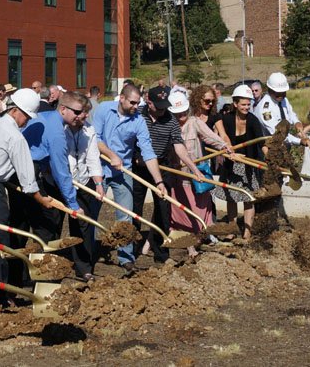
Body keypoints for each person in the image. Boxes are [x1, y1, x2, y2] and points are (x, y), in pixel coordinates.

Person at [0, 88, 52, 305]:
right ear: (15, 110)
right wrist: (41, 199)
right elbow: (28, 180)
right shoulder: (15, 137)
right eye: (26, 116)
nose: (26, 121)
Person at [93, 84, 168, 274]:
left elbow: (148, 151)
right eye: (133, 102)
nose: (136, 106)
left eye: (138, 103)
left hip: (122, 172)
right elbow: (95, 138)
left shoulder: (138, 121)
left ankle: (126, 258)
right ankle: (90, 253)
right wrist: (111, 154)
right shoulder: (103, 109)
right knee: (92, 214)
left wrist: (159, 182)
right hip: (98, 169)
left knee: (126, 215)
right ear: (122, 98)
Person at [132, 86, 205, 263]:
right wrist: (135, 157)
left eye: (165, 106)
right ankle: (131, 251)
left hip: (161, 168)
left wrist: (194, 170)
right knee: (135, 209)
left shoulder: (170, 120)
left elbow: (179, 147)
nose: (162, 110)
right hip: (139, 168)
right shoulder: (137, 115)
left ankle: (161, 254)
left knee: (163, 211)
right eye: (159, 106)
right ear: (148, 101)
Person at [18, 91, 85, 277]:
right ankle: (40, 273)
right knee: (46, 227)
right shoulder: (57, 133)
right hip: (30, 173)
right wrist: (72, 204)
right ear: (63, 109)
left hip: (23, 170)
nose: (80, 117)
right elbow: (61, 171)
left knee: (23, 226)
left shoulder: (46, 116)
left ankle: (20, 274)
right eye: (77, 112)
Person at [168, 92, 230, 258]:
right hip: (177, 176)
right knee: (182, 211)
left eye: (184, 112)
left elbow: (210, 137)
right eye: (178, 113)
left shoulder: (194, 122)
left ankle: (201, 237)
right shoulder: (168, 125)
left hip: (196, 175)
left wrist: (224, 146)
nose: (182, 116)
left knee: (199, 207)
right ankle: (188, 245)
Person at [212, 85, 264, 239]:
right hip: (231, 164)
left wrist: (269, 157)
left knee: (248, 198)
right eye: (243, 104)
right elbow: (217, 129)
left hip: (248, 164)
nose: (247, 107)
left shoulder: (253, 121)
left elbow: (262, 144)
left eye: (249, 104)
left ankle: (247, 232)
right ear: (235, 104)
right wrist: (228, 152)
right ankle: (232, 229)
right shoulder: (227, 119)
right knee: (232, 198)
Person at [65, 95, 104, 281]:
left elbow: (93, 157)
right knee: (54, 225)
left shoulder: (89, 130)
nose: (85, 117)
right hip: (62, 181)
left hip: (84, 182)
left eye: (87, 113)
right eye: (82, 113)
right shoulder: (61, 129)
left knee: (84, 224)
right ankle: (52, 263)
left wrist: (98, 183)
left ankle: (84, 266)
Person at [253, 72, 310, 147]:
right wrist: (299, 141)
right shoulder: (265, 110)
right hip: (269, 147)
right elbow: (278, 133)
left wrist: (296, 122)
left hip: (284, 145)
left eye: (283, 92)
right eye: (278, 92)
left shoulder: (283, 100)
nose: (281, 95)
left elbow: (290, 113)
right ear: (270, 90)